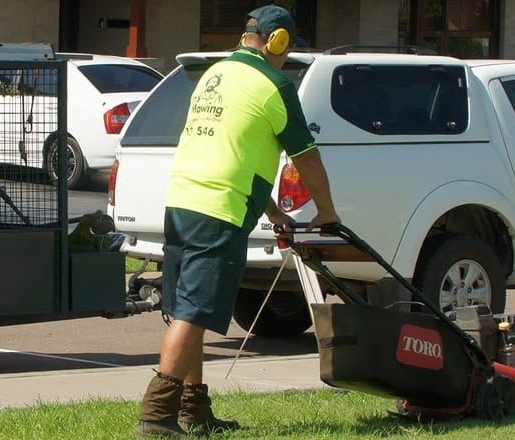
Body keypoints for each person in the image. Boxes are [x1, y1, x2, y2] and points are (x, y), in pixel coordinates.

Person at [136, 5, 341, 438]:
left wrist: (273, 211)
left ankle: (193, 408)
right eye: (287, 48)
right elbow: (308, 159)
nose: (287, 57)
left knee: (182, 308)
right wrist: (327, 211)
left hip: (182, 201)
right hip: (219, 212)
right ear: (278, 41)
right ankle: (157, 415)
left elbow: (235, 155)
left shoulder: (215, 75)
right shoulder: (274, 84)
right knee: (194, 311)